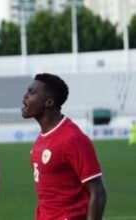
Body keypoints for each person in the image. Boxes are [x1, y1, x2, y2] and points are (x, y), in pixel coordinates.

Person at [21, 73, 107, 220]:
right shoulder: (42, 138)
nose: (25, 96)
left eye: (32, 93)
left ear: (49, 102)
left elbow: (98, 192)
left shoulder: (72, 139)